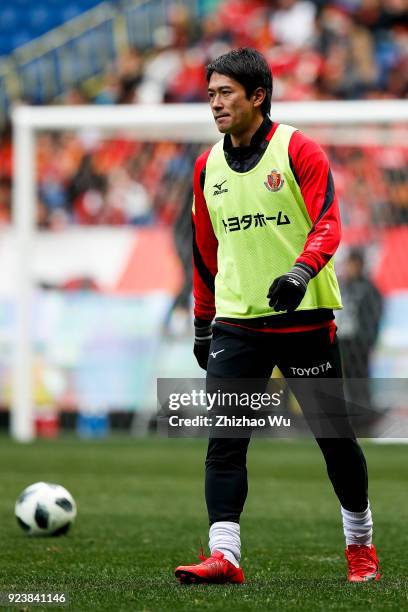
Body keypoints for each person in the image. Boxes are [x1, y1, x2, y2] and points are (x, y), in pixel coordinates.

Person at [174, 48, 380, 585]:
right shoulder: (206, 167)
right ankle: (224, 555)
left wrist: (300, 273)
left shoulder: (298, 149)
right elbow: (204, 252)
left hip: (304, 318)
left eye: (226, 93)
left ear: (258, 96)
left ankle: (360, 544)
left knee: (334, 439)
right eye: (211, 93)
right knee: (225, 442)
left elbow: (329, 224)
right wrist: (203, 320)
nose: (215, 103)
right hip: (237, 325)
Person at [337, 249, 383, 426]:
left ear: (359, 265)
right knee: (349, 378)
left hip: (359, 341)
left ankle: (364, 412)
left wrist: (368, 340)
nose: (349, 267)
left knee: (360, 377)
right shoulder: (345, 285)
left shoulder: (368, 288)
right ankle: (356, 411)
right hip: (345, 339)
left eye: (351, 263)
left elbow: (373, 316)